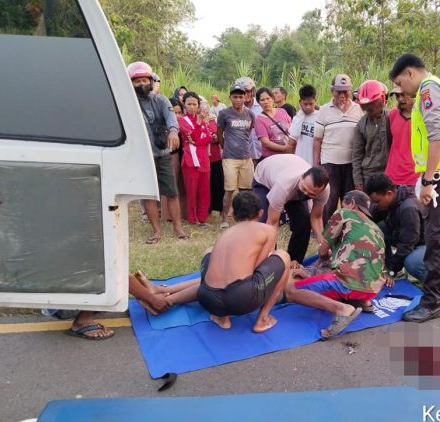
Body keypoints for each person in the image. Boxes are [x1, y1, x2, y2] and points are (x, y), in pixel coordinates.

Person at [132, 192, 292, 333]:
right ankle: (262, 320)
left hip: (208, 299)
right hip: (240, 298)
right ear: (260, 213)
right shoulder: (268, 230)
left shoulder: (225, 233)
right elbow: (257, 268)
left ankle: (222, 318)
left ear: (233, 214)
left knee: (210, 253)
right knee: (283, 255)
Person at [390, 54, 440, 323]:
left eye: (400, 82)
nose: (401, 89)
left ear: (410, 73)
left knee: (437, 236)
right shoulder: (437, 86)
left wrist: (427, 180)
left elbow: (437, 136)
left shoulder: (428, 89)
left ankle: (432, 301)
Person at [285, 190, 389, 339]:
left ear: (351, 204)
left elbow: (322, 252)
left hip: (349, 283)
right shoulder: (377, 228)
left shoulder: (343, 213)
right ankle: (363, 302)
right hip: (374, 289)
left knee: (290, 290)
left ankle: (341, 309)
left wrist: (310, 271)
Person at [127, 61, 189, 244]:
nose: (141, 84)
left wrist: (172, 130)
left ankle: (178, 227)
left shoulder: (160, 100)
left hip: (162, 154)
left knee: (171, 192)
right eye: (136, 81)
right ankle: (156, 231)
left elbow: (171, 117)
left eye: (144, 80)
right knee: (149, 195)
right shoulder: (128, 104)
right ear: (130, 83)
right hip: (142, 157)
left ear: (151, 80)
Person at [252, 154, 330, 263]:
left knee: (303, 223)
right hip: (264, 180)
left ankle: (294, 263)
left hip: (289, 178)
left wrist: (322, 243)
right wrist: (271, 255)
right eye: (304, 188)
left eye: (310, 194)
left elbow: (316, 218)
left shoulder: (324, 191)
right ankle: (267, 265)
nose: (305, 193)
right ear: (302, 177)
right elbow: (272, 223)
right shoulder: (284, 186)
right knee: (263, 224)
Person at [314, 74, 364, 222]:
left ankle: (348, 230)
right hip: (330, 162)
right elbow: (317, 140)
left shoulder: (358, 109)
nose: (342, 95)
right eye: (338, 91)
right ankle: (327, 234)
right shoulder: (323, 110)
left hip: (351, 163)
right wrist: (316, 164)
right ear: (332, 91)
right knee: (330, 200)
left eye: (345, 91)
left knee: (349, 200)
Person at [364, 174, 427, 282]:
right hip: (405, 239)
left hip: (424, 245)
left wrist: (392, 271)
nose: (376, 205)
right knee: (377, 229)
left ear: (389, 193)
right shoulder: (391, 201)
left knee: (412, 263)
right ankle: (387, 269)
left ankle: (438, 284)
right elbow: (369, 221)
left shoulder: (408, 208)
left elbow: (407, 244)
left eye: (377, 202)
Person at [217, 82, 256, 229]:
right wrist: (224, 147)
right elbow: (219, 133)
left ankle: (244, 217)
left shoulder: (250, 114)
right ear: (230, 98)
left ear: (245, 97)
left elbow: (249, 132)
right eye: (235, 97)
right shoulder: (224, 114)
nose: (238, 99)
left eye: (241, 96)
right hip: (230, 158)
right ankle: (224, 219)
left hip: (246, 157)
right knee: (229, 190)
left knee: (246, 189)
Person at [179, 92, 212, 225]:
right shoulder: (182, 120)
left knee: (204, 190)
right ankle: (192, 218)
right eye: (189, 104)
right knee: (192, 191)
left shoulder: (203, 121)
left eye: (195, 104)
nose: (192, 107)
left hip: (204, 158)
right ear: (184, 104)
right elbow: (194, 137)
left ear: (198, 105)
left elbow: (208, 138)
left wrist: (197, 139)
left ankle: (202, 217)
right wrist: (199, 127)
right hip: (190, 160)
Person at [352, 80, 391, 190]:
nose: (368, 109)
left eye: (371, 105)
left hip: (389, 173)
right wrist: (358, 181)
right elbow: (357, 155)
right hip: (369, 175)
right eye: (365, 106)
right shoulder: (361, 125)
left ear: (381, 100)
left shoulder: (391, 118)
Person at [386, 83, 419, 188]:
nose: (400, 99)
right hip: (393, 176)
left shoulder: (422, 116)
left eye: (403, 95)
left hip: (415, 176)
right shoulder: (392, 115)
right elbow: (389, 142)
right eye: (397, 95)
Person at [255, 87, 294, 159]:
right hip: (271, 157)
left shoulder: (282, 111)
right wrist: (284, 148)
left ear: (272, 99)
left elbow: (292, 129)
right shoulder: (259, 120)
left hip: (288, 155)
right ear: (259, 102)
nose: (266, 102)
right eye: (262, 100)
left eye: (268, 98)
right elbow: (266, 142)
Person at [203, 102, 225, 216]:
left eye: (206, 108)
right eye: (202, 109)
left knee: (218, 183)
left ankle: (221, 208)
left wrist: (216, 137)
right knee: (207, 184)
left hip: (216, 156)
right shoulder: (198, 121)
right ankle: (208, 208)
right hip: (203, 157)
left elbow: (220, 134)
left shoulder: (213, 120)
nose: (204, 111)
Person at [289, 84, 319, 165]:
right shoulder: (297, 117)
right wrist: (301, 114)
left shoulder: (320, 117)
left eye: (311, 104)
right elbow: (294, 136)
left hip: (313, 161)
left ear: (315, 101)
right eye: (305, 104)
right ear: (300, 102)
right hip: (299, 160)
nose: (308, 107)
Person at [236, 76, 263, 163]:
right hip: (245, 155)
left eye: (249, 91)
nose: (247, 94)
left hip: (264, 152)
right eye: (244, 92)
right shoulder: (235, 110)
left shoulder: (262, 105)